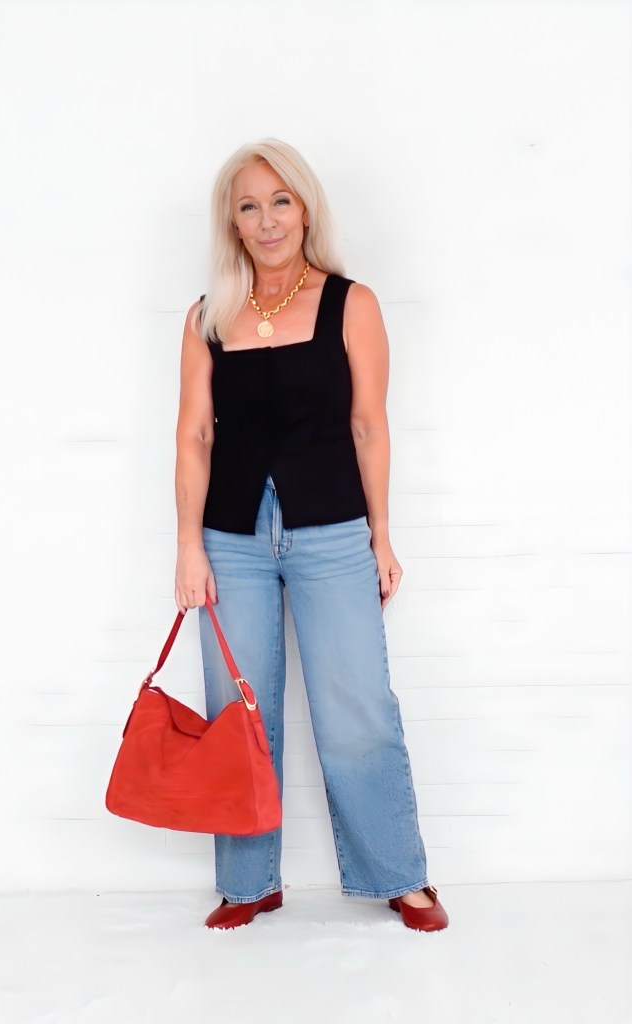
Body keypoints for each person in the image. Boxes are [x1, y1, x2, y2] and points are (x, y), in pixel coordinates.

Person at [174, 138, 449, 933]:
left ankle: (399, 874)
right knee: (239, 713)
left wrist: (383, 536)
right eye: (249, 205)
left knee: (356, 706)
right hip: (229, 539)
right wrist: (189, 546)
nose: (267, 221)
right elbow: (193, 435)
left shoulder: (350, 302)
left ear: (305, 207)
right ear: (232, 220)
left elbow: (369, 423)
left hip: (331, 531)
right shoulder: (206, 315)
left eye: (281, 201)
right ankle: (249, 881)